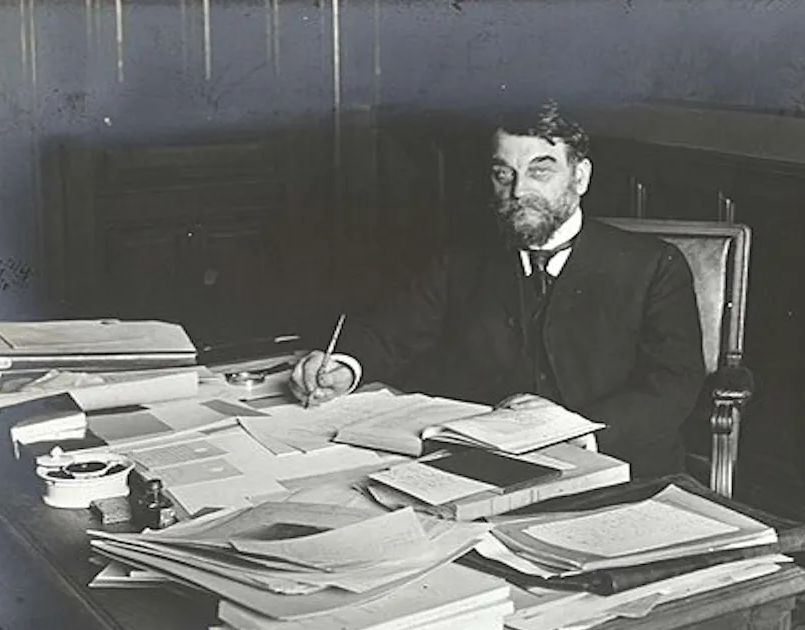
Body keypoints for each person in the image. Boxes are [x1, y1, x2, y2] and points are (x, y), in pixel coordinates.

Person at [290, 101, 706, 479]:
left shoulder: (653, 265)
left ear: (580, 176)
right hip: (481, 470)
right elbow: (391, 332)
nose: (518, 191)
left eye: (540, 170)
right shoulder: (462, 260)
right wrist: (344, 365)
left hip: (617, 470)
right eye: (503, 174)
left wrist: (577, 430)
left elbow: (673, 385)